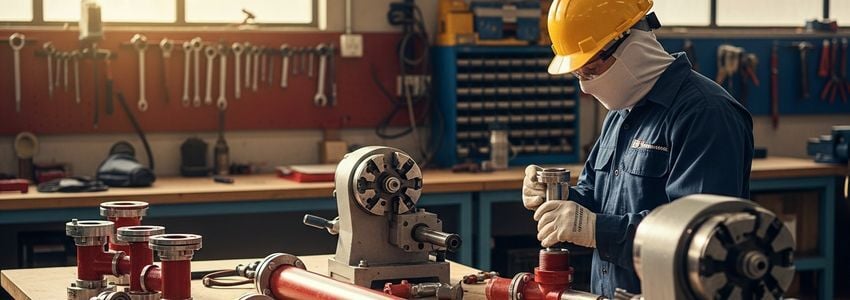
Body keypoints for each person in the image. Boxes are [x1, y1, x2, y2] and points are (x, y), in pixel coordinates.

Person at [522, 0, 754, 298]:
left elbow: (701, 237)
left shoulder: (706, 114)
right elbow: (598, 199)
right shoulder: (622, 112)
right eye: (579, 74)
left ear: (631, 43)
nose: (586, 86)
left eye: (592, 69)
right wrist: (561, 197)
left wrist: (597, 230)